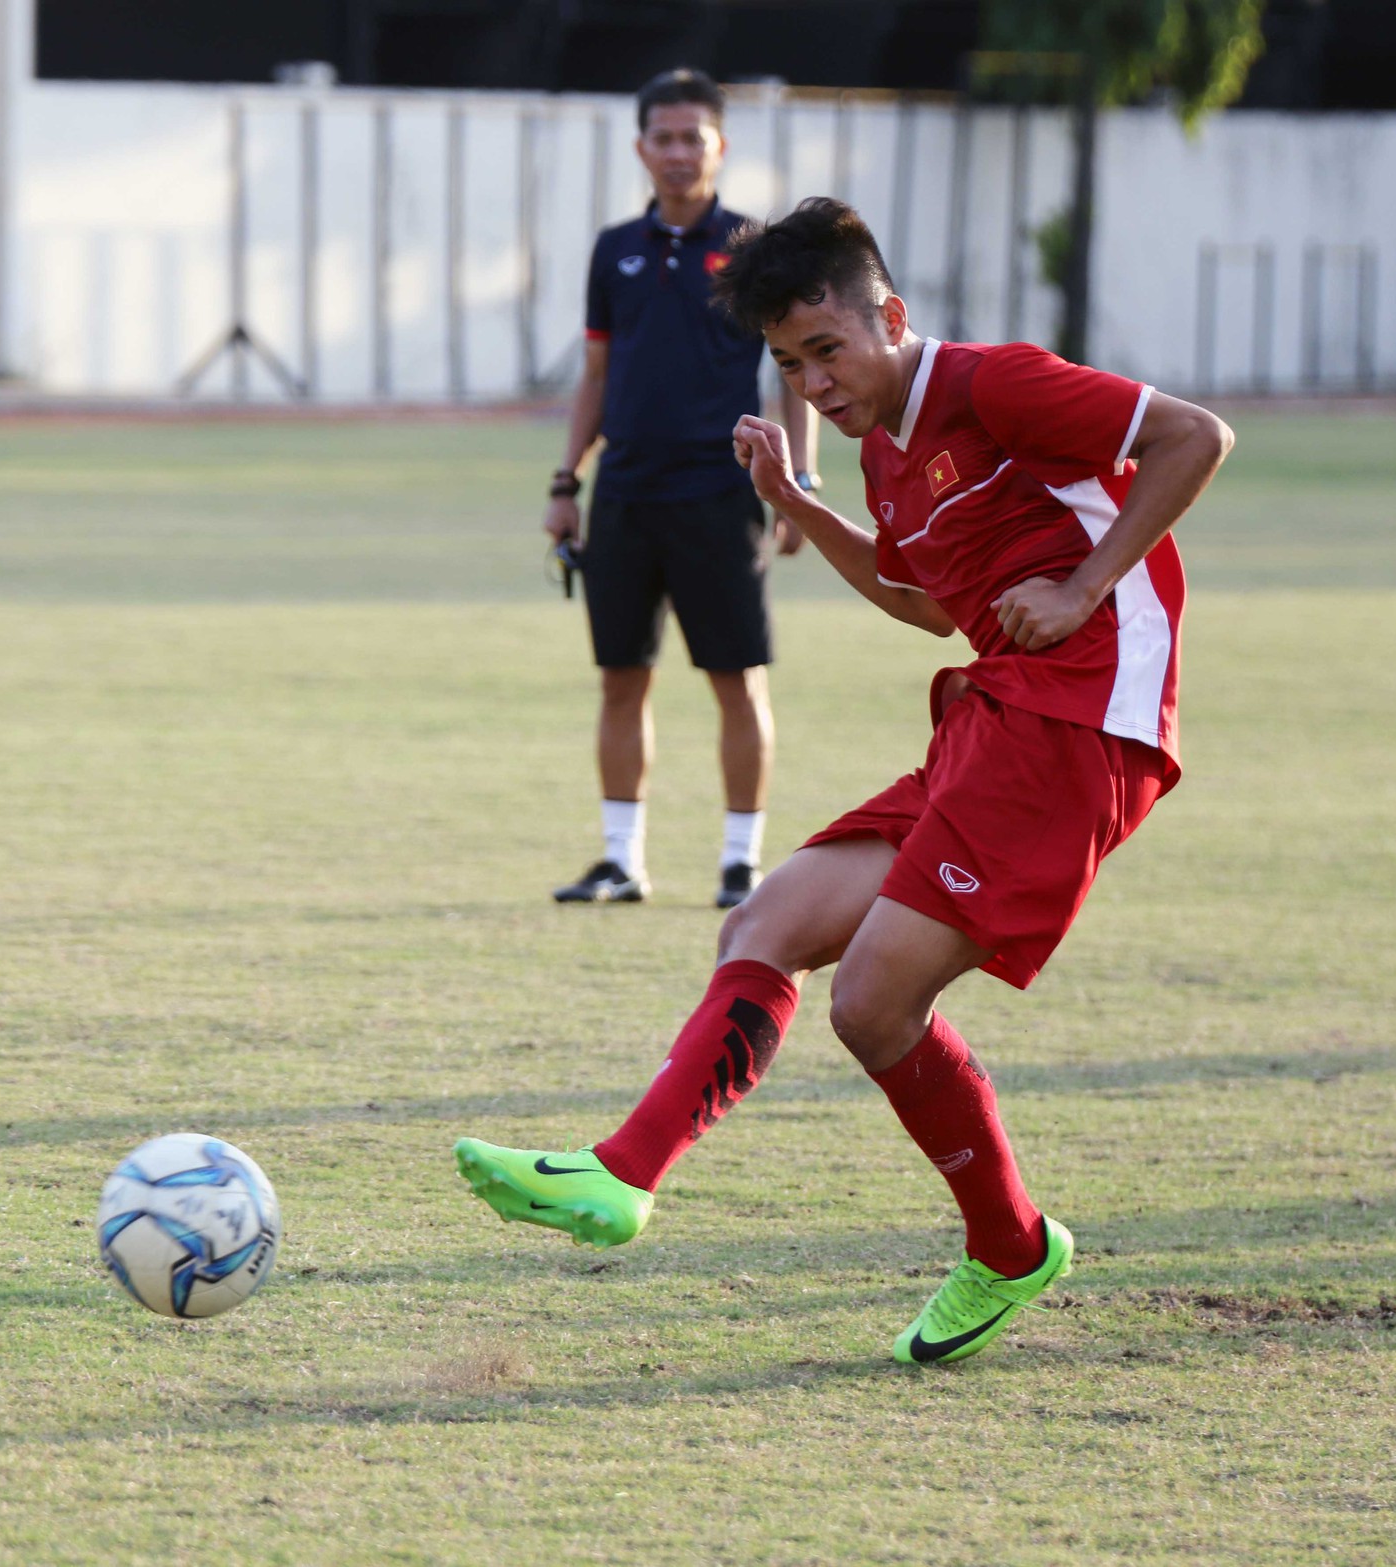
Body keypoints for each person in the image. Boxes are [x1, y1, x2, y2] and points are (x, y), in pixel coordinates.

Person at [459, 197, 1234, 1365]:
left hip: (1083, 717)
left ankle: (1010, 1245)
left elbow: (1193, 436)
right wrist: (800, 504)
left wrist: (1081, 589)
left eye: (826, 349)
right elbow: (923, 605)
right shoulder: (878, 452)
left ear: (890, 318)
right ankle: (621, 1176)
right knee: (764, 920)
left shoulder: (993, 385)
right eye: (786, 361)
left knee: (869, 1001)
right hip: (995, 711)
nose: (812, 381)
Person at [548, 69, 815, 911]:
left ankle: (742, 865)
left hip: (718, 491)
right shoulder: (612, 248)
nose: (675, 152)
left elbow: (796, 370)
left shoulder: (754, 248)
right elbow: (596, 372)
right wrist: (567, 480)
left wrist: (799, 483)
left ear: (719, 146)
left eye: (691, 138)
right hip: (625, 490)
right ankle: (621, 859)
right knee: (621, 677)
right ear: (641, 148)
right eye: (661, 137)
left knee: (737, 678)